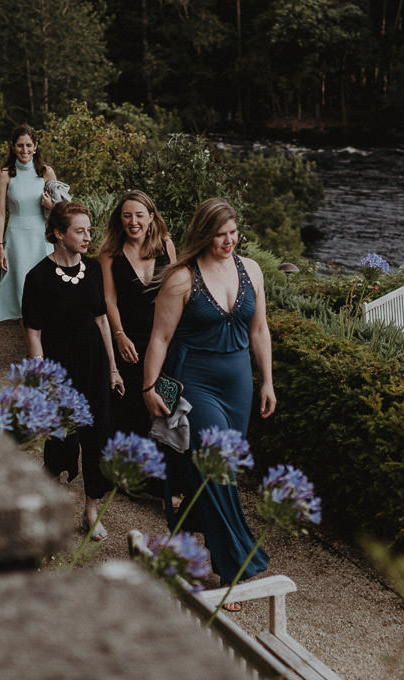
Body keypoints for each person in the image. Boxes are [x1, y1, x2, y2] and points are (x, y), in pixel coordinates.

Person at [142, 198, 276, 591]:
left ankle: (186, 541)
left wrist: (267, 380)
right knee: (216, 467)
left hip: (238, 385)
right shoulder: (181, 278)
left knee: (222, 471)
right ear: (203, 234)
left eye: (233, 233)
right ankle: (235, 566)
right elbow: (160, 338)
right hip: (195, 382)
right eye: (220, 235)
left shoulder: (251, 270)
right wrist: (148, 387)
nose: (228, 241)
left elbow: (259, 330)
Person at [23, 201, 122, 538]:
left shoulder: (93, 269)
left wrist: (113, 368)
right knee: (60, 439)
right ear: (58, 234)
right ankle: (47, 507)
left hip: (94, 366)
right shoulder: (36, 277)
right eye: (79, 231)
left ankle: (91, 510)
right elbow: (33, 333)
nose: (87, 236)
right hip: (59, 371)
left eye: (89, 230)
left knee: (97, 437)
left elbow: (102, 321)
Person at [98, 190, 176, 442]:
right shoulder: (109, 252)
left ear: (151, 217)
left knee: (164, 409)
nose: (133, 222)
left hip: (163, 338)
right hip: (129, 341)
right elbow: (109, 298)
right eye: (127, 215)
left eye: (140, 215)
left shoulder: (166, 245)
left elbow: (175, 292)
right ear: (119, 219)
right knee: (130, 411)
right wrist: (119, 335)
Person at [0, 124, 57, 325]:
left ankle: (49, 350)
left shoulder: (46, 172)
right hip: (16, 239)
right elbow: (0, 213)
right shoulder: (5, 174)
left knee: (46, 294)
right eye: (20, 145)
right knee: (22, 296)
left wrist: (50, 204)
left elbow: (63, 210)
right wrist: (0, 247)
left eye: (29, 145)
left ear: (35, 146)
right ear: (13, 147)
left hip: (41, 238)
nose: (24, 150)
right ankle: (32, 354)